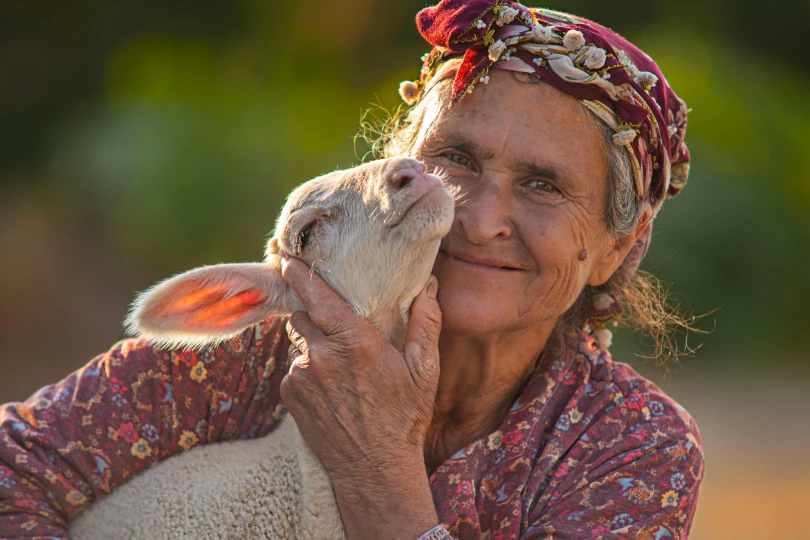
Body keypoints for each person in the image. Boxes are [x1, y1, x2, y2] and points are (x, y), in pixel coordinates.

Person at [0, 1, 704, 538]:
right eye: (456, 158)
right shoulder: (255, 349)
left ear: (618, 246)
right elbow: (14, 470)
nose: (481, 216)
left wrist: (376, 467)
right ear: (403, 172)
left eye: (543, 186)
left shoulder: (627, 447)